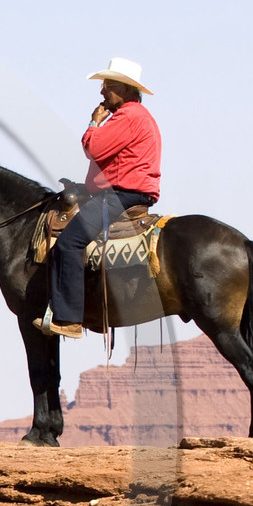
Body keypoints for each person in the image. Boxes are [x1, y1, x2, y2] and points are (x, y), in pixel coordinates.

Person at [37, 56, 161, 338]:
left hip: (121, 195)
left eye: (107, 86)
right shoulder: (138, 117)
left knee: (69, 243)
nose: (102, 92)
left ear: (127, 90)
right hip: (126, 191)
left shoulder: (128, 116)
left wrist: (94, 124)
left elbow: (95, 148)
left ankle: (69, 319)